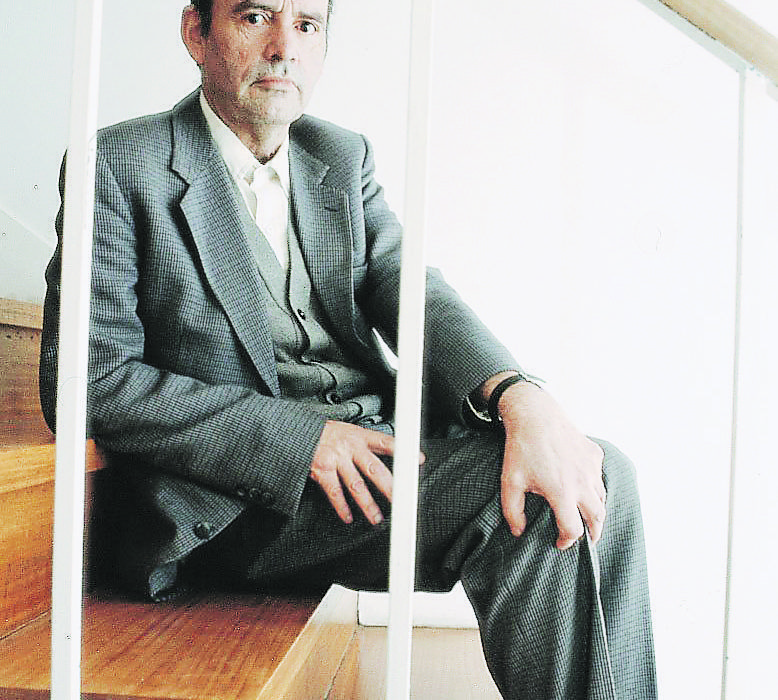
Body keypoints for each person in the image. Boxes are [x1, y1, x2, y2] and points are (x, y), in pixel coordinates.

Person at [39, 1, 657, 697]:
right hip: (240, 499)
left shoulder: (338, 155)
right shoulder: (121, 162)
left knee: (598, 468)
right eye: (254, 16)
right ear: (195, 31)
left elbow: (412, 287)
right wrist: (300, 439)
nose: (285, 46)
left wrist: (520, 398)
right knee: (540, 501)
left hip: (376, 449)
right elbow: (89, 379)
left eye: (307, 24)